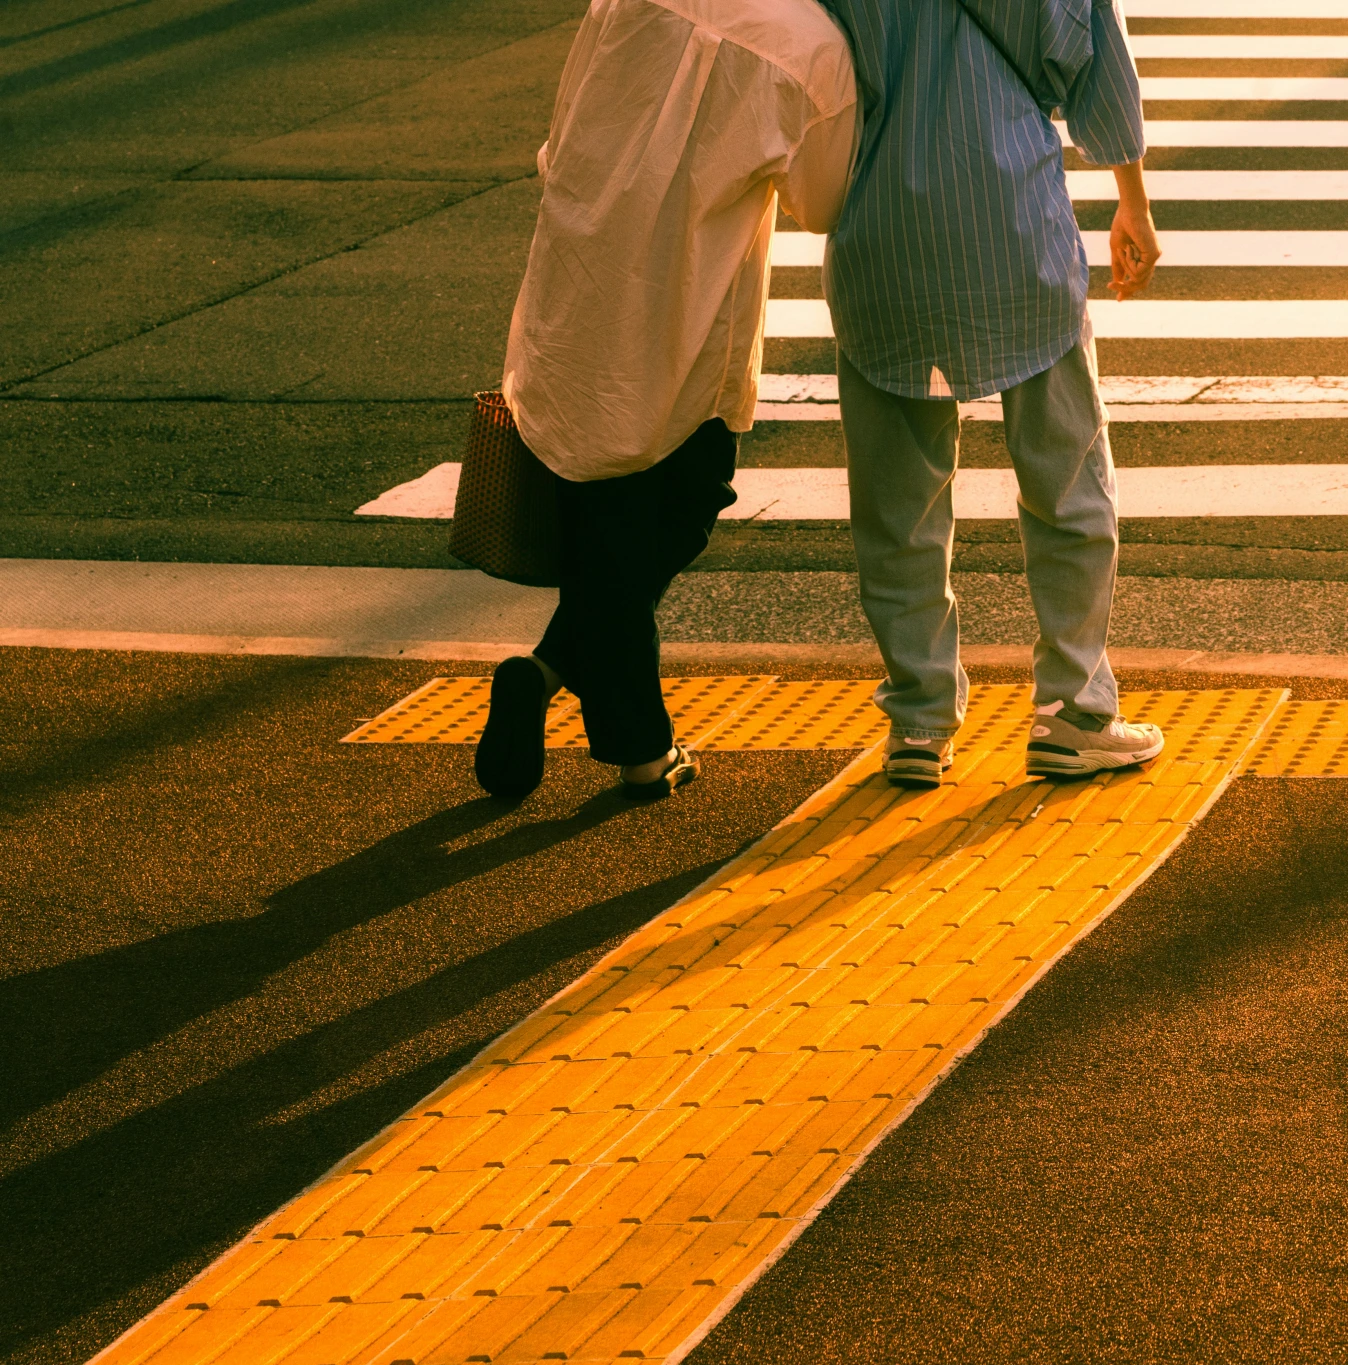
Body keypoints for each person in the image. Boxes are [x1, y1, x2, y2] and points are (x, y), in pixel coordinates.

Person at [475, 0, 858, 802]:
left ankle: (558, 678)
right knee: (682, 503)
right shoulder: (812, 51)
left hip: (582, 286)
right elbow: (819, 203)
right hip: (690, 314)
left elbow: (564, 128)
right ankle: (632, 743)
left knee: (604, 516)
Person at [819, 0, 1166, 789]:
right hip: (1010, 222)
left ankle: (917, 717)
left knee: (895, 504)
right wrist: (1132, 196)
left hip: (880, 233)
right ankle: (1074, 710)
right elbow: (1094, 52)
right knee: (1068, 479)